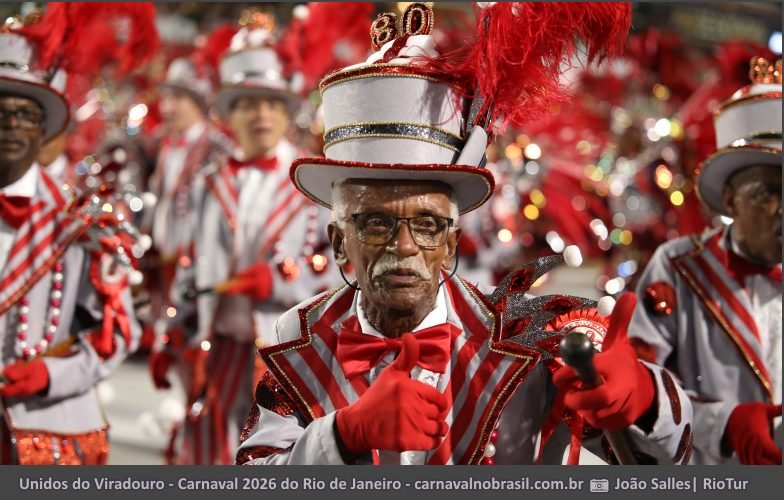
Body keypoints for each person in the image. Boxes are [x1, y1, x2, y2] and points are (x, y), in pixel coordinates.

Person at [235, 3, 692, 465]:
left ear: (452, 242)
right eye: (376, 222)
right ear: (338, 243)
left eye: (428, 224)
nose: (405, 245)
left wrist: (644, 397)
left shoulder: (528, 337)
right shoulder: (297, 334)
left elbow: (667, 456)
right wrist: (341, 437)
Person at [152, 14, 338, 465]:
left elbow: (331, 265)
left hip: (279, 353)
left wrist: (277, 280)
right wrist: (169, 336)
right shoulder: (209, 181)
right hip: (216, 347)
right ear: (229, 113)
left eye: (272, 104)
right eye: (249, 104)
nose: (261, 115)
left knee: (267, 457)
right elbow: (192, 266)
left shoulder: (311, 181)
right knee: (205, 452)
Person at [0, 24, 140, 465]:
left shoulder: (84, 221)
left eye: (26, 115)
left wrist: (51, 374)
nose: (11, 125)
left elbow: (118, 332)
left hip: (48, 436)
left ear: (43, 131)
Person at [629, 56, 782, 465]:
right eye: (768, 194)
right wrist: (724, 424)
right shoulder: (678, 266)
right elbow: (639, 387)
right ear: (731, 199)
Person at [142, 54, 232, 347]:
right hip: (166, 260)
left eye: (177, 99)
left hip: (197, 263)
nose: (167, 108)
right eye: (165, 99)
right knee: (171, 343)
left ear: (197, 103)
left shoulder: (218, 148)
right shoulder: (168, 146)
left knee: (194, 343)